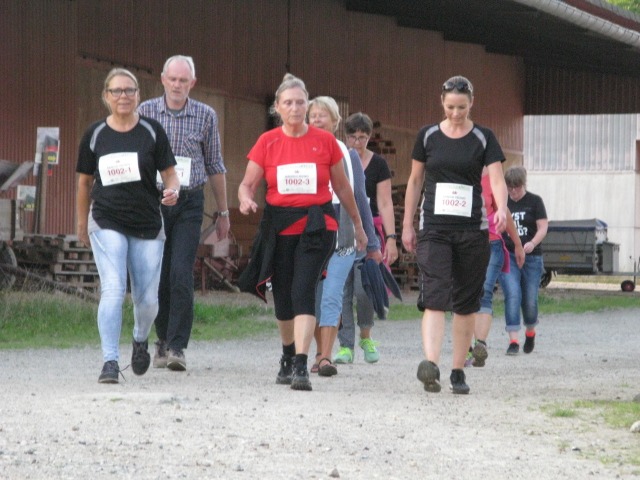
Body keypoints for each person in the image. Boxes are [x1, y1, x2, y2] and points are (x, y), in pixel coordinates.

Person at [237, 74, 367, 391]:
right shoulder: (267, 142)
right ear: (278, 107)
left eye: (300, 102)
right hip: (279, 224)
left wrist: (358, 225)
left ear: (307, 105)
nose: (295, 108)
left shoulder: (325, 142)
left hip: (317, 224)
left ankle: (300, 364)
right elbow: (247, 184)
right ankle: (287, 353)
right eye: (288, 103)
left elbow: (342, 187)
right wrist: (245, 198)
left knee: (303, 288)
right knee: (282, 294)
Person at [402, 75, 508, 394]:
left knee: (465, 302)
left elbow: (498, 179)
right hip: (434, 227)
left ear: (471, 103)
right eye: (450, 107)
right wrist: (407, 223)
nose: (456, 113)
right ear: (442, 102)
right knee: (434, 296)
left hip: (472, 230)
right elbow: (415, 181)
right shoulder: (428, 136)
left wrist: (501, 208)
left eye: (462, 107)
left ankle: (458, 371)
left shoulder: (484, 138)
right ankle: (431, 365)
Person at [76, 68, 180, 384]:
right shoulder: (95, 134)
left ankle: (140, 337)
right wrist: (81, 222)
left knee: (147, 300)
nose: (123, 96)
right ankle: (109, 361)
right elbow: (84, 183)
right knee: (113, 288)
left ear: (138, 95)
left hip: (147, 221)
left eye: (129, 90)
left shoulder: (152, 131)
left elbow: (170, 174)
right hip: (106, 218)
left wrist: (173, 190)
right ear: (106, 96)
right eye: (117, 91)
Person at [138, 55, 229, 372]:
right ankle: (162, 339)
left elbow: (215, 164)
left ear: (193, 83)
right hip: (154, 201)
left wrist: (223, 211)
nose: (177, 85)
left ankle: (177, 345)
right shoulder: (146, 112)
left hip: (189, 202)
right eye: (173, 79)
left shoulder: (205, 116)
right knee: (158, 274)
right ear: (163, 80)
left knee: (180, 272)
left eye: (183, 80)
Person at [307, 97, 382, 377]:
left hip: (342, 235)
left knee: (332, 293)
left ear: (335, 121)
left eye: (323, 115)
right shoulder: (301, 151)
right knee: (313, 297)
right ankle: (318, 352)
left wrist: (371, 241)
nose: (317, 119)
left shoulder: (348, 156)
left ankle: (327, 355)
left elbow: (360, 198)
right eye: (313, 115)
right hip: (309, 232)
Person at [334, 112, 398, 365]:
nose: (357, 142)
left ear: (369, 137)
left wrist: (390, 238)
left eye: (362, 137)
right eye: (352, 137)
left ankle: (366, 335)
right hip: (342, 229)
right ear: (346, 137)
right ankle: (345, 345)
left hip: (369, 231)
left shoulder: (378, 164)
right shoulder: (339, 158)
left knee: (364, 288)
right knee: (342, 289)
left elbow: (385, 202)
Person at [465, 168, 525, 367]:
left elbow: (504, 212)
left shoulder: (492, 180)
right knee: (468, 295)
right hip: (466, 243)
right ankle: (469, 346)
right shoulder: (461, 175)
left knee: (481, 292)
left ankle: (477, 347)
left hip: (488, 242)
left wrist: (517, 244)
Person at [499, 166, 548, 355]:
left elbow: (543, 227)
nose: (513, 191)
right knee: (512, 294)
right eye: (510, 187)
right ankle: (513, 341)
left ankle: (530, 331)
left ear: (523, 184)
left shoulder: (535, 201)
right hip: (509, 255)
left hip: (532, 258)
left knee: (529, 299)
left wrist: (533, 243)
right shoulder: (503, 203)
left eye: (517, 187)